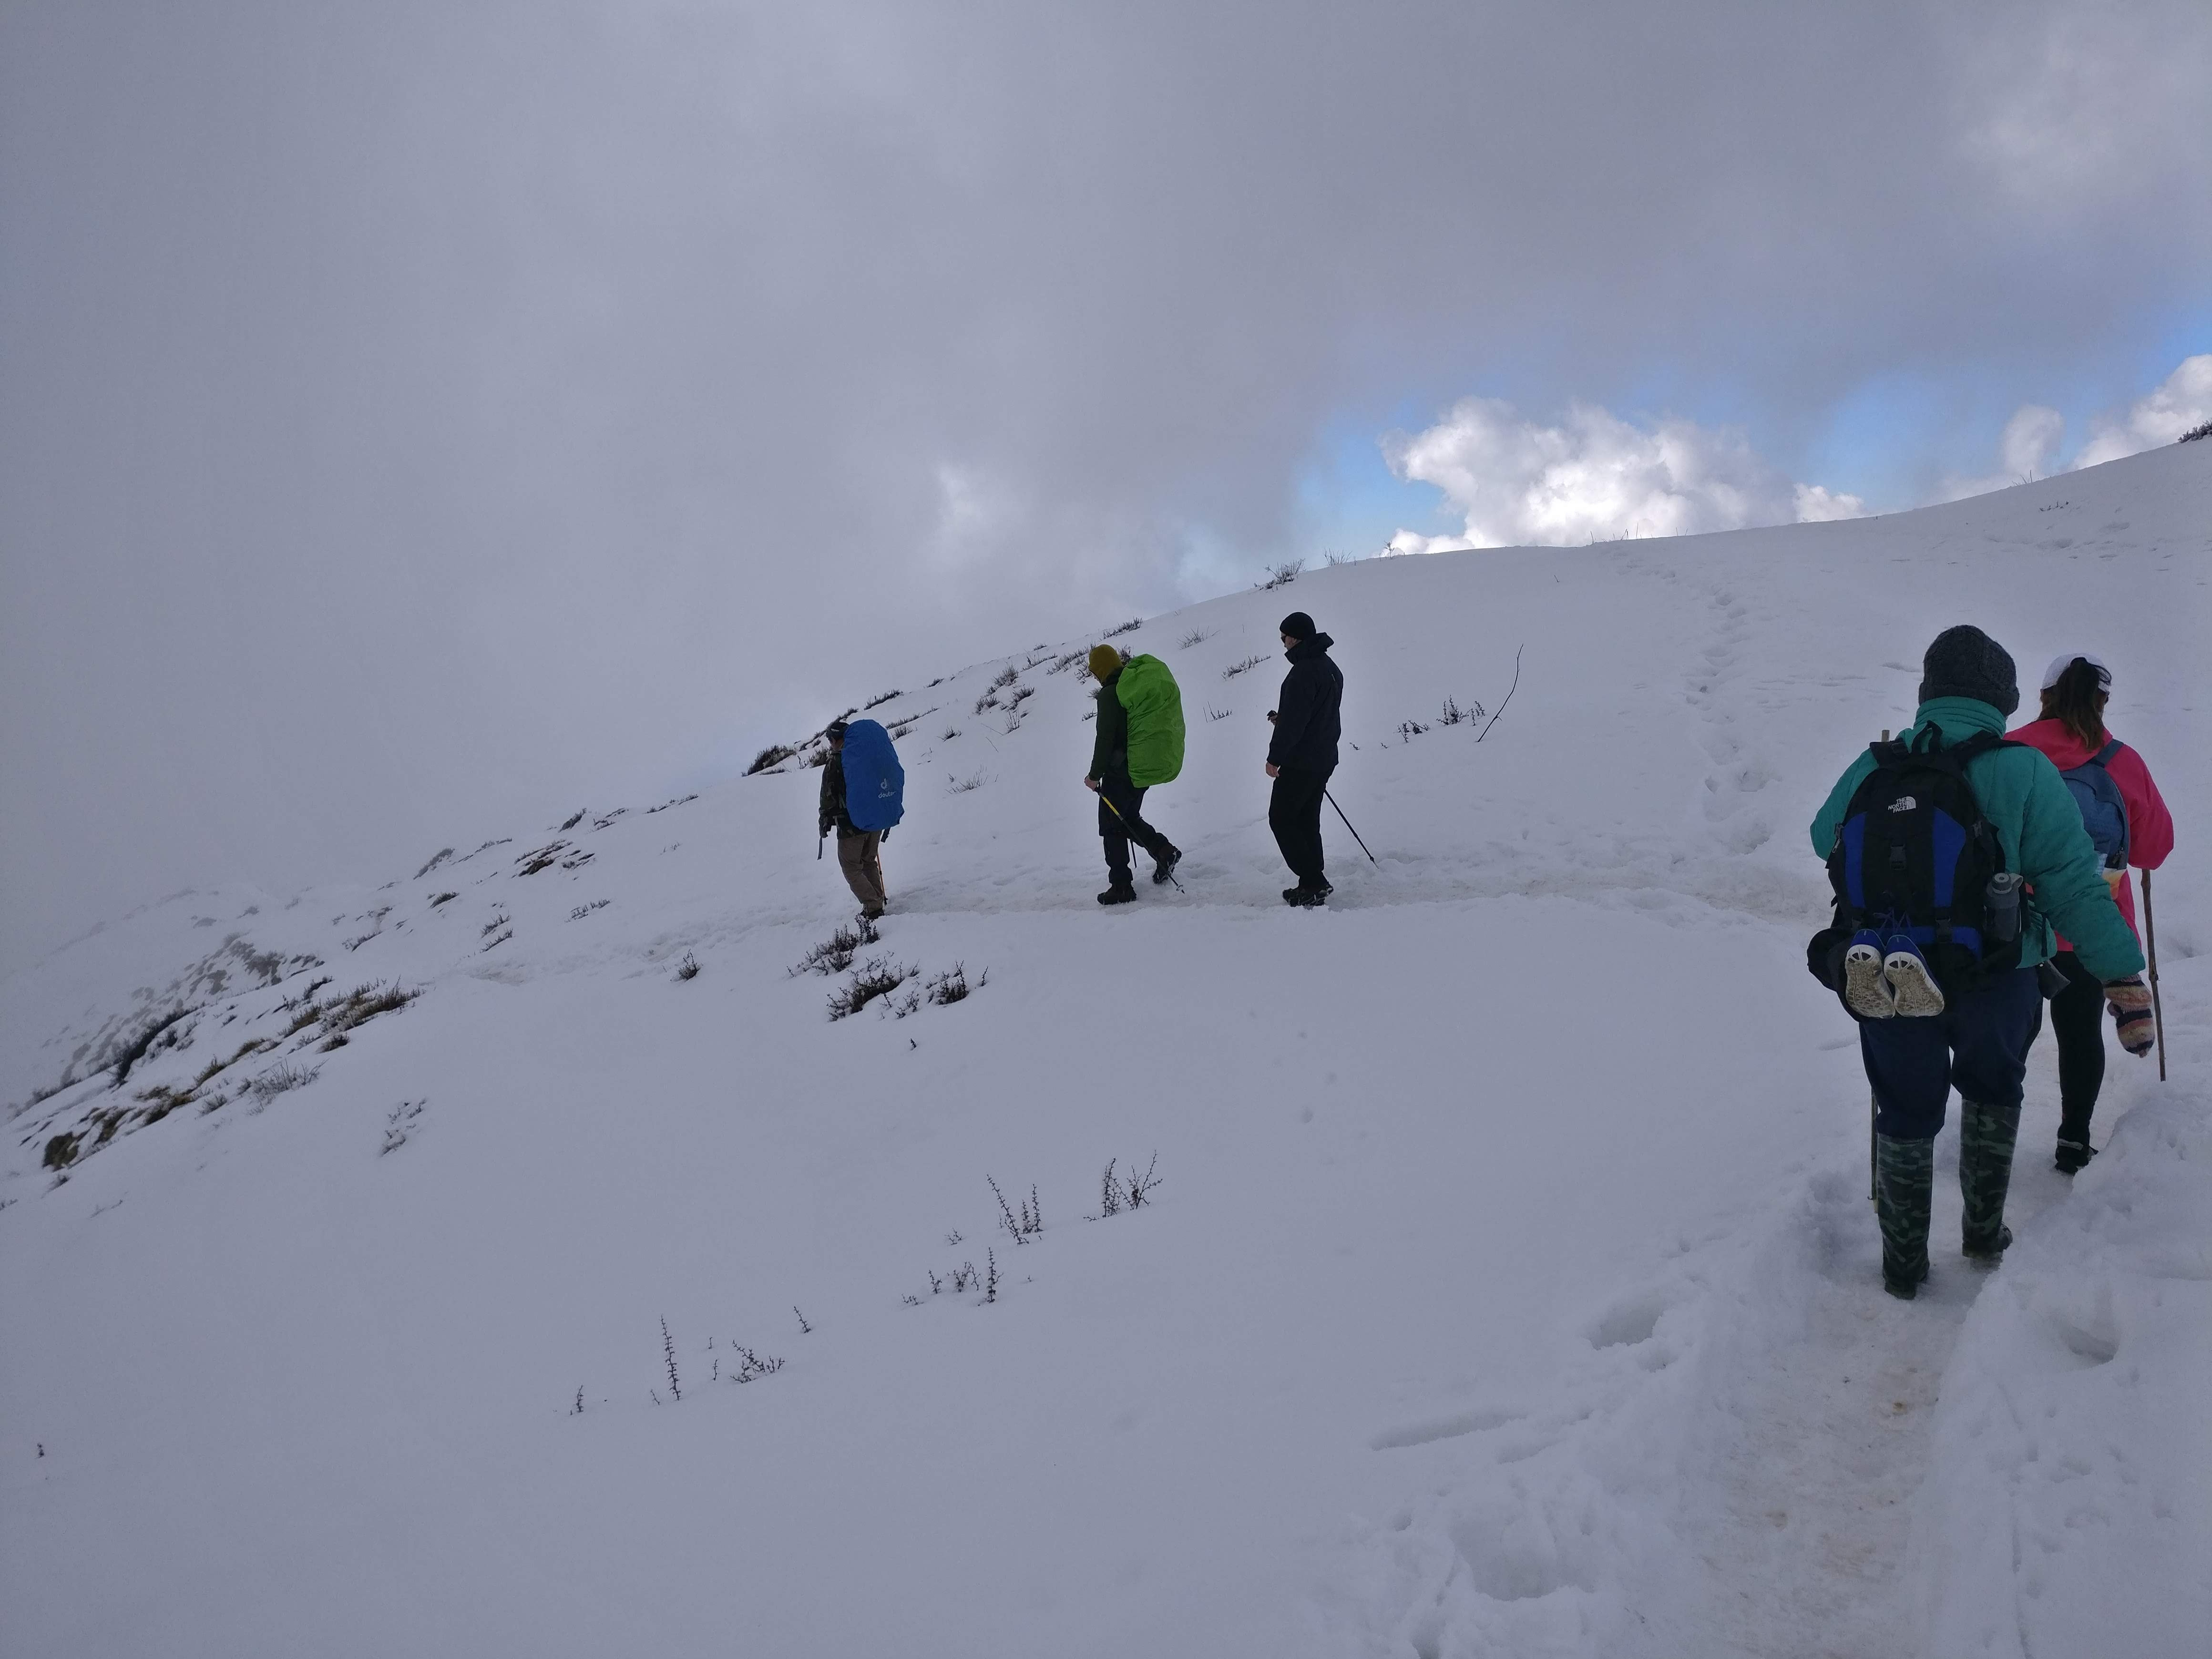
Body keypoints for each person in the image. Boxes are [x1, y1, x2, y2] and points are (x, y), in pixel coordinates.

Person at [1809, 625, 2147, 1300]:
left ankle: (1903, 1266)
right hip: (1998, 971)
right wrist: (2121, 976)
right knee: (1992, 1090)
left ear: (1927, 693)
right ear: (2003, 697)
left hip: (1890, 968)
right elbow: (2073, 885)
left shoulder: (1877, 764)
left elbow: (1824, 836)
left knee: (1904, 1109)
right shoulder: (2021, 768)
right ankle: (1983, 1235)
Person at [2009, 653, 2172, 1172]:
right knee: (2078, 1034)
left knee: (2011, 1031)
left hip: (2014, 920)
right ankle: (2073, 1141)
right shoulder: (2122, 762)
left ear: (2043, 697)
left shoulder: (2010, 751)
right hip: (2090, 927)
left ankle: (1994, 1139)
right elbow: (2153, 850)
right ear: (2102, 701)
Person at [1083, 645, 1180, 905]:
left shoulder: (1110, 694)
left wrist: (1094, 775)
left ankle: (1121, 886)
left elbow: (1105, 739)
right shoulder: (1131, 686)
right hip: (1141, 767)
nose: (1095, 676)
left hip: (1121, 771)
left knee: (1111, 825)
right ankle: (1164, 851)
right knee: (1127, 817)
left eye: (1095, 671)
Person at [1265, 612, 1342, 906]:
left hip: (1302, 761)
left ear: (1296, 637)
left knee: (1282, 819)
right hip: (1324, 758)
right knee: (1307, 819)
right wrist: (1285, 719)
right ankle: (1312, 880)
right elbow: (1316, 715)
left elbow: (1294, 726)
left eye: (1284, 638)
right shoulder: (1330, 668)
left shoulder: (1302, 673)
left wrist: (1274, 758)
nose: (1283, 644)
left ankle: (1313, 881)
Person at [818, 720, 887, 920]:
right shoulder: (866, 755)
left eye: (830, 740)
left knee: (850, 866)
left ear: (834, 740)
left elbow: (828, 796)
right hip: (874, 819)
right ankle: (877, 899)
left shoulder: (837, 761)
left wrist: (824, 819)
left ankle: (873, 906)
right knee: (868, 861)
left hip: (851, 824)